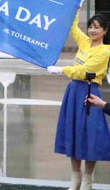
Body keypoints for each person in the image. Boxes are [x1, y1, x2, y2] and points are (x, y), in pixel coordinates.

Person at [47, 10, 110, 190]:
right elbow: (73, 28)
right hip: (74, 91)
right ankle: (75, 177)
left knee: (90, 134)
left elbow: (85, 70)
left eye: (96, 28)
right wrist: (77, 8)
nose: (92, 30)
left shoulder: (105, 51)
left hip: (90, 92)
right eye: (90, 27)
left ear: (105, 31)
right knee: (73, 132)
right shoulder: (85, 43)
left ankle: (87, 180)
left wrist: (62, 70)